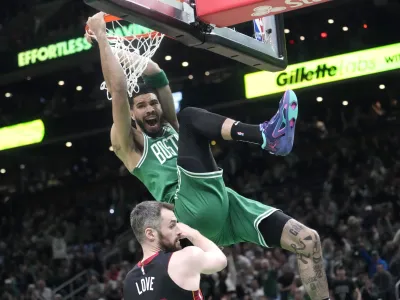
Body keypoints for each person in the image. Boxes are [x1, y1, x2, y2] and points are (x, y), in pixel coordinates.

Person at [86, 12, 330, 300]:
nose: (150, 109)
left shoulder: (170, 127)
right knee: (189, 116)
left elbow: (157, 74)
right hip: (188, 207)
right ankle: (264, 135)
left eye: (153, 103)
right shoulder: (128, 145)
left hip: (223, 205)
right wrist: (102, 36)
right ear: (132, 115)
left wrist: (116, 48)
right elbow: (118, 89)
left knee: (308, 240)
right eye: (141, 106)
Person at [123, 201, 227, 299]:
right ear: (150, 234)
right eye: (172, 225)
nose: (179, 230)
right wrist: (193, 233)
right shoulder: (186, 258)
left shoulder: (129, 281)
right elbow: (221, 260)